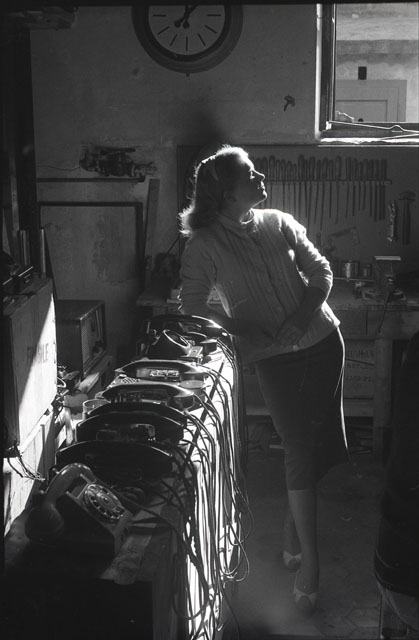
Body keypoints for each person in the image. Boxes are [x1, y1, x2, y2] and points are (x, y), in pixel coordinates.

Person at [178, 144, 348, 614]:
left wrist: (303, 314)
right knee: (297, 446)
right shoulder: (205, 244)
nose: (262, 178)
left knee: (319, 442)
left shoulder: (278, 222)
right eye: (251, 174)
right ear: (227, 193)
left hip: (323, 342)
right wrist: (236, 328)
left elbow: (321, 272)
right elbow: (192, 304)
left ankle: (294, 529)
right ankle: (311, 563)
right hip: (272, 358)